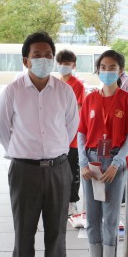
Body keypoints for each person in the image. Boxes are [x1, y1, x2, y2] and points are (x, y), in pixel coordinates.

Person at [0, 32, 78, 257]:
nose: (43, 59)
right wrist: (23, 152)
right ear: (26, 60)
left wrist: (53, 151)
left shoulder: (64, 91)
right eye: (37, 55)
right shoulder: (13, 91)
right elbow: (2, 128)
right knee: (24, 229)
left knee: (57, 231)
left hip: (58, 169)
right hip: (24, 170)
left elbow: (70, 127)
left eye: (48, 55)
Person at [76, 50, 128, 257]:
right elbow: (81, 132)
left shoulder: (127, 100)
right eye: (103, 67)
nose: (107, 71)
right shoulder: (91, 99)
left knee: (110, 216)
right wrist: (83, 162)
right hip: (92, 162)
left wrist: (116, 164)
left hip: (113, 161)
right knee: (92, 216)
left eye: (112, 67)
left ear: (120, 70)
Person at [56, 49, 86, 217]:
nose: (63, 66)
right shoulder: (56, 83)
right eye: (61, 63)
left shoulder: (77, 85)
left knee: (72, 170)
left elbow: (78, 110)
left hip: (73, 136)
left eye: (67, 64)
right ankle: (61, 201)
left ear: (73, 65)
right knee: (59, 171)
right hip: (57, 136)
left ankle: (72, 202)